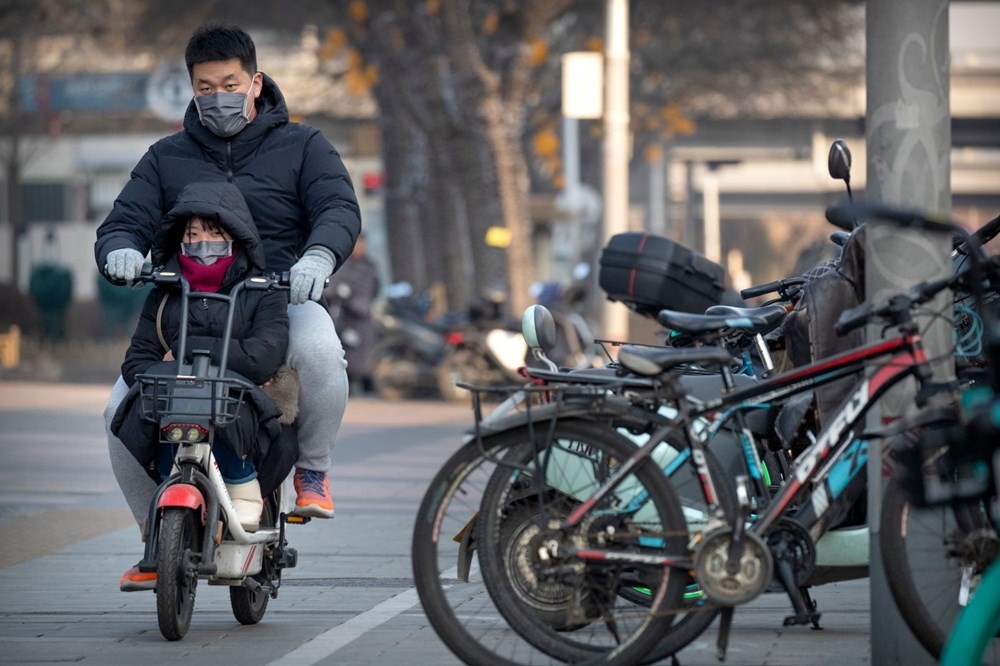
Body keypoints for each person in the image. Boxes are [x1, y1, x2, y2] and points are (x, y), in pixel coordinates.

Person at [95, 23, 359, 590]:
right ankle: (154, 539)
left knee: (319, 348)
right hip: (187, 307)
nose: (218, 96)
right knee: (117, 411)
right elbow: (126, 220)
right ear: (192, 90)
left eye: (230, 83)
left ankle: (313, 470)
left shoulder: (305, 146)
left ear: (256, 82)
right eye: (205, 86)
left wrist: (318, 256)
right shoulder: (166, 157)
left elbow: (338, 206)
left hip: (277, 302)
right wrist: (118, 250)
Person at [111, 182, 295, 567]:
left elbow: (262, 357)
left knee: (230, 405)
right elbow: (136, 362)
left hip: (239, 410)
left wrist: (184, 353)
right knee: (135, 413)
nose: (202, 243)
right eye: (192, 235)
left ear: (237, 236)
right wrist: (177, 370)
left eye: (214, 233)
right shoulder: (165, 293)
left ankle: (245, 485)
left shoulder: (263, 292)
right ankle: (155, 525)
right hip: (175, 411)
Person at [323, 233, 380, 394]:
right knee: (345, 353)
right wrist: (339, 293)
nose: (360, 248)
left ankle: (364, 383)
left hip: (363, 316)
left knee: (366, 352)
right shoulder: (341, 265)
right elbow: (329, 288)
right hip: (343, 317)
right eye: (357, 245)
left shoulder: (370, 267)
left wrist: (362, 303)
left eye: (362, 245)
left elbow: (375, 288)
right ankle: (346, 386)